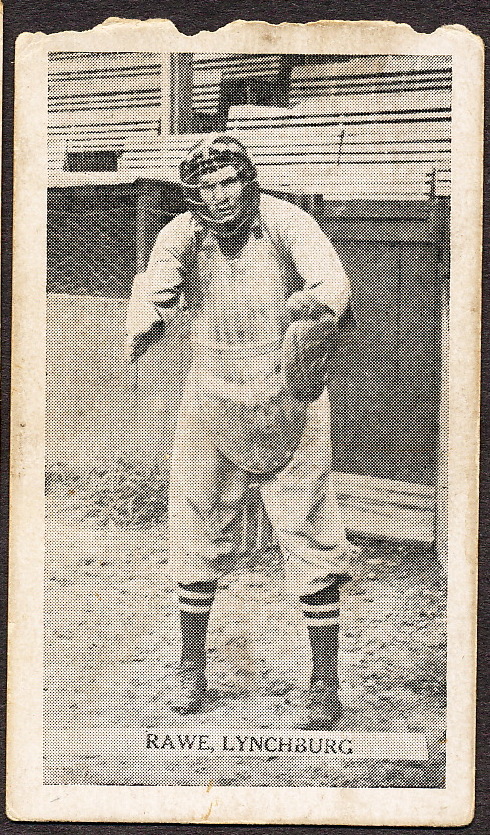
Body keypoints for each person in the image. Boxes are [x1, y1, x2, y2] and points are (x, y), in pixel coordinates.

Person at [125, 133, 356, 729]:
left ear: (249, 181)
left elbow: (333, 287)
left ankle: (324, 684)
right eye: (207, 188)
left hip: (290, 396)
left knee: (308, 531)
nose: (221, 197)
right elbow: (155, 287)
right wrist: (151, 317)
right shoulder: (183, 232)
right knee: (194, 529)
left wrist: (307, 315)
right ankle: (192, 672)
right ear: (194, 195)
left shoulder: (286, 221)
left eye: (231, 183)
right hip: (213, 395)